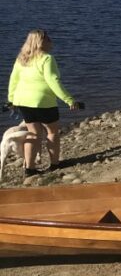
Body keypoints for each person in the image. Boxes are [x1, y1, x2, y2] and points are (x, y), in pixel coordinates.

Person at [7, 29, 81, 176]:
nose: (50, 40)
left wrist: (11, 100)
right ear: (41, 41)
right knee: (52, 132)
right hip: (43, 101)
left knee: (33, 134)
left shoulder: (22, 58)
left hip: (23, 101)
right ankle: (54, 164)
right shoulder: (47, 58)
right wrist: (69, 100)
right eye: (48, 38)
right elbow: (53, 81)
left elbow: (13, 80)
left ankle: (30, 168)